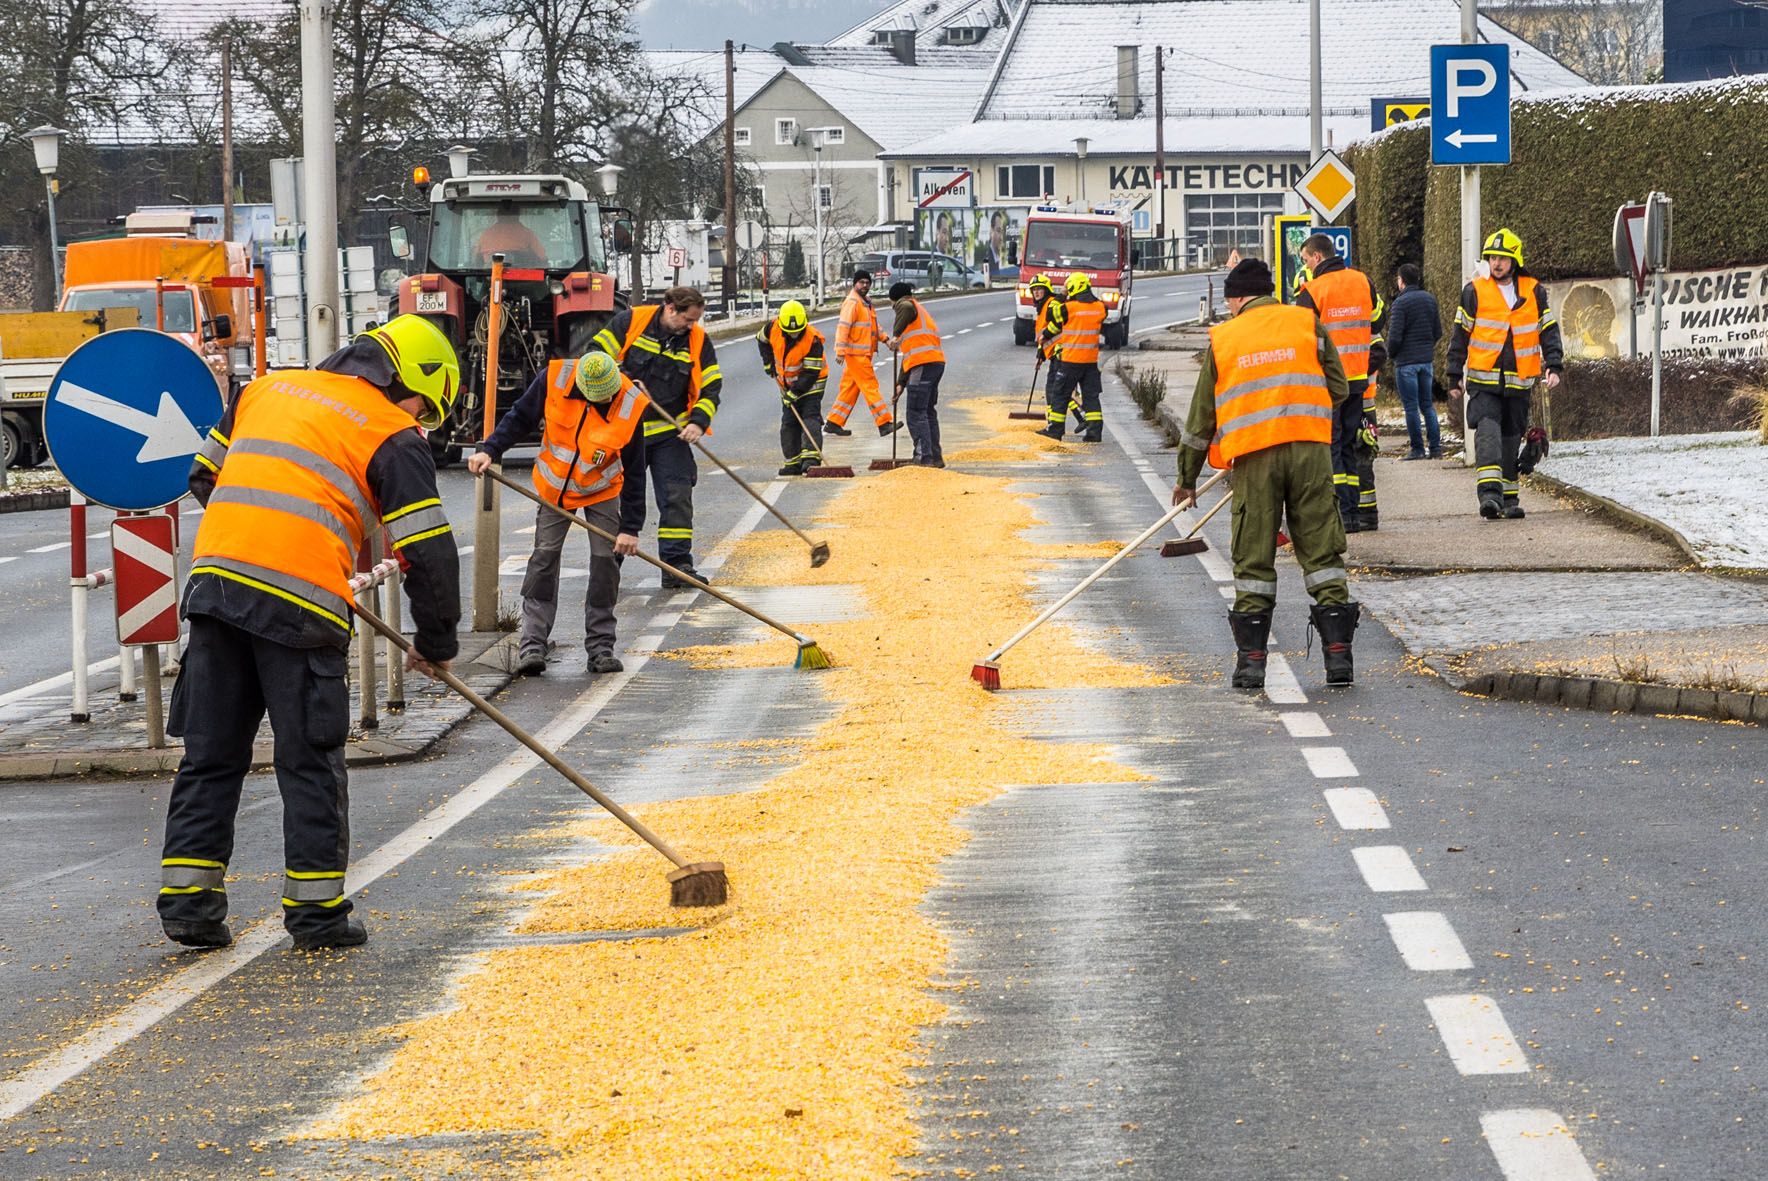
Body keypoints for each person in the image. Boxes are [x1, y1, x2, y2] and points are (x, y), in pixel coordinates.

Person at [160, 315, 462, 952]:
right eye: (425, 408)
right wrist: (436, 644)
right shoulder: (393, 434)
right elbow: (428, 552)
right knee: (310, 761)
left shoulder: (263, 391)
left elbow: (203, 477)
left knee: (211, 754)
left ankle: (189, 903)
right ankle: (317, 915)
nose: (421, 421)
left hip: (215, 590)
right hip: (301, 607)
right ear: (408, 382)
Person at [1174, 258, 1360, 689]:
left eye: (1229, 302)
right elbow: (1339, 387)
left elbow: (1201, 418)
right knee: (1321, 553)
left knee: (1254, 556)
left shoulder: (1225, 338)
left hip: (1256, 461)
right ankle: (1338, 662)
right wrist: (1300, 412)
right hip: (1310, 452)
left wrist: (1187, 478)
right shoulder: (1306, 323)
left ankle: (1252, 666)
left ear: (1237, 298)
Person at [468, 352, 646, 677]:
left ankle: (601, 648)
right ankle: (532, 646)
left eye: (606, 398)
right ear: (581, 387)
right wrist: (490, 450)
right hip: (555, 490)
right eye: (596, 399)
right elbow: (520, 417)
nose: (602, 402)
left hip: (602, 489)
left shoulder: (630, 405)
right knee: (544, 558)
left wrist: (630, 528)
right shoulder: (554, 378)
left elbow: (635, 472)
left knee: (606, 560)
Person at [590, 286, 723, 587]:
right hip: (624, 433)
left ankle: (676, 567)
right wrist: (621, 379)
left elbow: (711, 385)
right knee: (619, 501)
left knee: (677, 497)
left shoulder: (698, 341)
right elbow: (595, 360)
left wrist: (698, 422)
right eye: (688, 320)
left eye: (695, 321)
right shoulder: (630, 323)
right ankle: (608, 569)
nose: (692, 326)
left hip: (668, 435)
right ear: (670, 308)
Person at [1445, 228, 1564, 520]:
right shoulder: (1474, 290)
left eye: (1503, 258)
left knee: (1511, 437)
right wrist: (1453, 374)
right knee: (1488, 434)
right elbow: (1460, 333)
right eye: (1492, 257)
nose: (1497, 263)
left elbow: (1547, 329)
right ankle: (1489, 496)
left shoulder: (1534, 291)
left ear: (1515, 260)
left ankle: (1510, 498)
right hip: (1484, 380)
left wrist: (1553, 364)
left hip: (1520, 381)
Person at [1296, 234, 1387, 532]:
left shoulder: (1312, 290)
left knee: (1331, 448)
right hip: (1359, 381)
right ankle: (1355, 513)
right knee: (1350, 445)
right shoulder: (1362, 281)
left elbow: (1301, 339)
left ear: (1318, 257)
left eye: (1306, 259)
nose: (1306, 265)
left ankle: (1340, 516)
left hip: (1327, 384)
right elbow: (1378, 318)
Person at [756, 299, 828, 475]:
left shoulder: (813, 339)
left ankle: (811, 459)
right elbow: (761, 340)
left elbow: (811, 372)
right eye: (790, 332)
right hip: (786, 385)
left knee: (809, 418)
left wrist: (795, 393)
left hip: (812, 385)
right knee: (789, 422)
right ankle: (793, 463)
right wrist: (768, 363)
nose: (794, 335)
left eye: (798, 332)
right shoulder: (771, 328)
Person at [825, 269, 898, 439]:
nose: (865, 285)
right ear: (854, 283)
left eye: (867, 282)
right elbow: (843, 327)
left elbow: (873, 327)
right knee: (870, 387)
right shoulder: (853, 303)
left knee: (849, 389)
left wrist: (886, 339)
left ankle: (834, 422)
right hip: (856, 355)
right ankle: (884, 423)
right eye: (861, 282)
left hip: (861, 354)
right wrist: (840, 351)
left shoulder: (865, 303)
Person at [1037, 271, 1105, 442]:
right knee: (1091, 398)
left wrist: (1062, 294)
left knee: (1059, 394)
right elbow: (1102, 310)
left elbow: (1053, 315)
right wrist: (1046, 333)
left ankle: (1055, 430)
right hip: (1090, 361)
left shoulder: (1069, 308)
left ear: (1073, 287)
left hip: (1071, 361)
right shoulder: (1100, 308)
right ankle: (1094, 433)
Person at [1386, 263, 1444, 460]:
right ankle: (1435, 448)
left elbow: (1394, 336)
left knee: (1411, 406)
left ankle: (1417, 449)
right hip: (1425, 361)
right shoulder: (1430, 299)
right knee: (1427, 405)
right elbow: (1438, 331)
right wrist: (1426, 348)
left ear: (1401, 281)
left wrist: (1391, 354)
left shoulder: (1400, 304)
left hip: (1406, 362)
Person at [886, 280, 946, 467]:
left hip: (924, 365)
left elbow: (904, 306)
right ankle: (935, 457)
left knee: (915, 411)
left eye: (892, 304)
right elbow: (910, 355)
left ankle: (923, 457)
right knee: (927, 411)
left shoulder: (907, 306)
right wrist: (900, 384)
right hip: (933, 364)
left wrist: (895, 335)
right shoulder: (918, 313)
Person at [1029, 274, 1067, 413]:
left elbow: (1057, 325)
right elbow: (1042, 338)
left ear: (1046, 290)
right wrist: (1041, 356)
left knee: (1054, 388)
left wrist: (1046, 335)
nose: (1036, 292)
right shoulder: (1042, 307)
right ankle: (1053, 419)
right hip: (1053, 353)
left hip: (1060, 352)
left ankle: (1055, 421)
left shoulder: (1051, 303)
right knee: (1055, 388)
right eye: (1034, 290)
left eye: (1040, 289)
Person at [475, 203, 546, 266]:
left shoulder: (486, 234)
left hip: (490, 275)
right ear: (518, 215)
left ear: (498, 215)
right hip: (520, 276)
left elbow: (476, 258)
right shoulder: (526, 233)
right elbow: (542, 257)